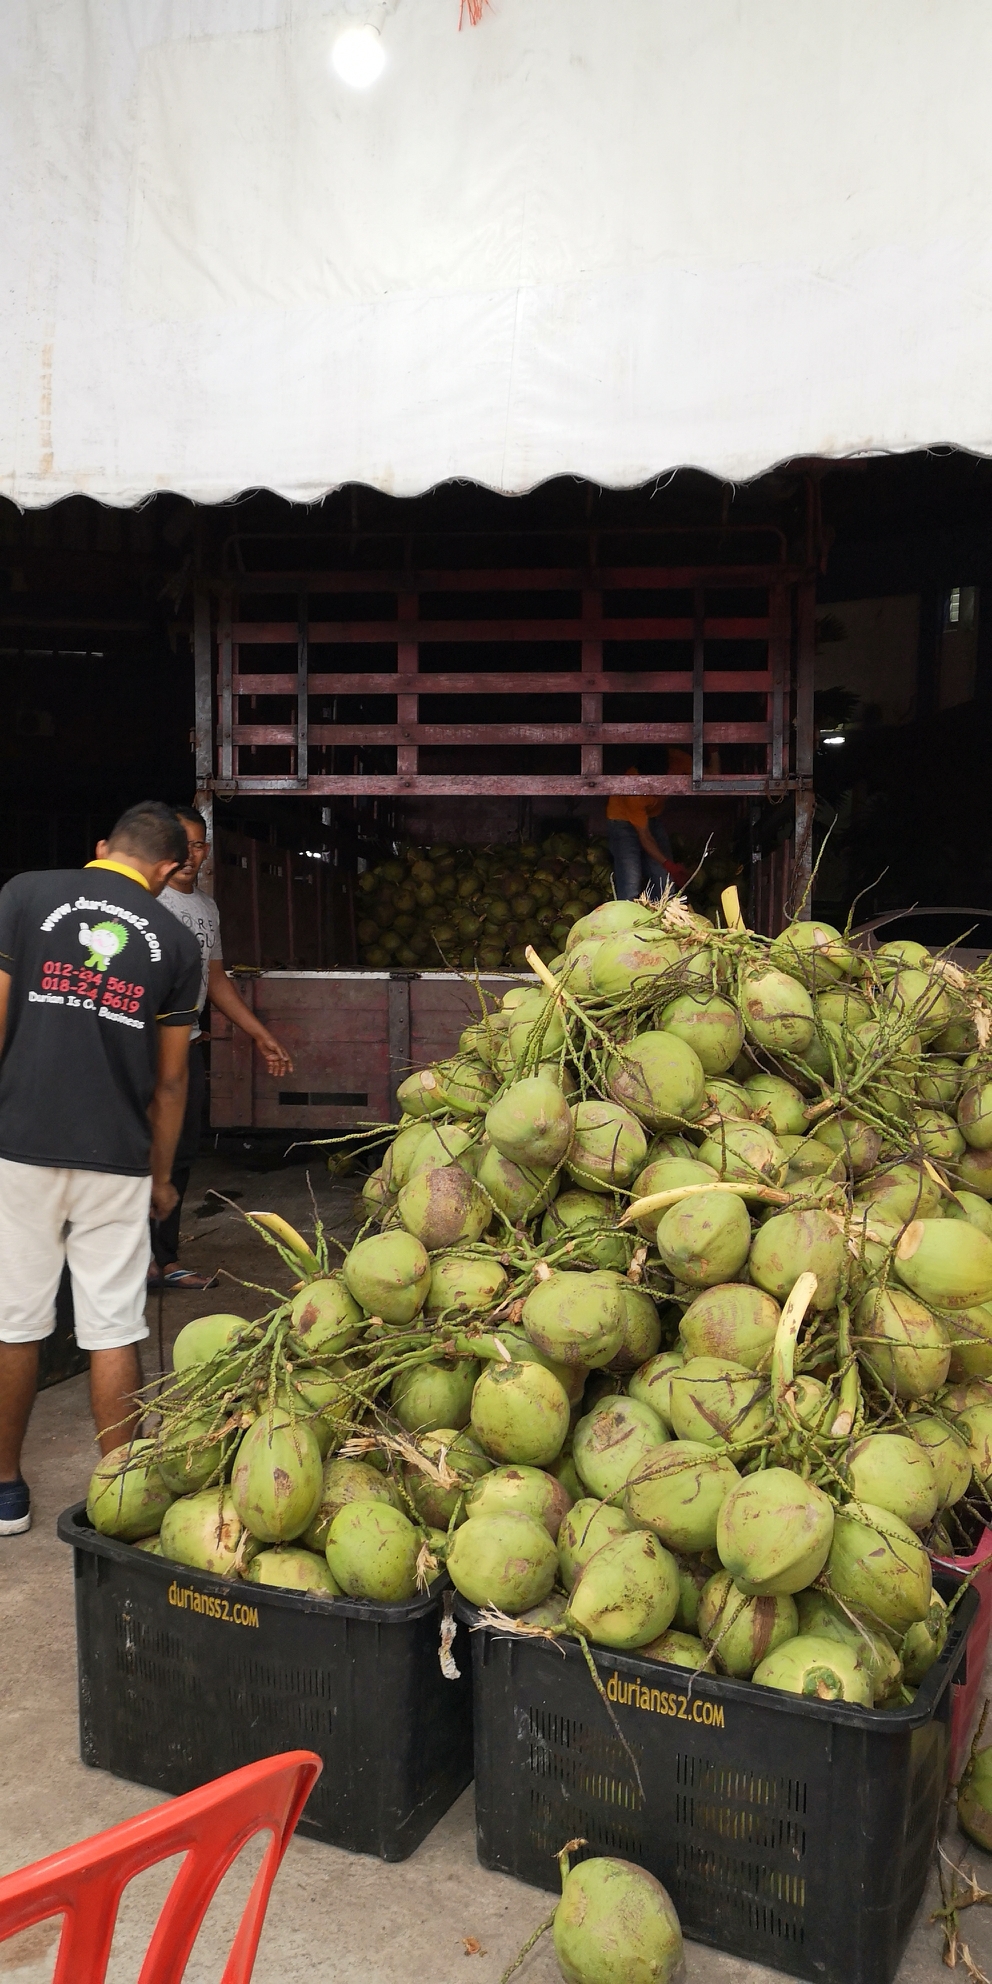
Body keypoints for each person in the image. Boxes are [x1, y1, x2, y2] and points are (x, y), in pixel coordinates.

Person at [0, 802, 202, 1535]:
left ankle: (4, 1494)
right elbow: (172, 1082)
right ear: (169, 869)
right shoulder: (177, 944)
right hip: (116, 1154)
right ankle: (123, 1499)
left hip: (19, 1143)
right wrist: (161, 1174)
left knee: (15, 1321)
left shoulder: (24, 895)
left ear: (101, 850)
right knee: (113, 1326)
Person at [149, 804, 294, 1290]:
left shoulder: (205, 908)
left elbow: (215, 980)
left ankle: (164, 1261)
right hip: (140, 1046)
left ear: (207, 849)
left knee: (181, 1151)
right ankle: (129, 1262)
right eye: (180, 843)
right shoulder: (147, 901)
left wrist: (259, 1032)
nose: (189, 854)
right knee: (136, 1151)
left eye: (197, 843)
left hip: (185, 1042)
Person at [606, 762, 691, 899]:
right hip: (622, 821)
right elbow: (645, 836)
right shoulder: (634, 789)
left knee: (665, 882)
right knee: (631, 881)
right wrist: (670, 865)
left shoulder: (679, 762)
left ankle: (662, 915)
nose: (653, 789)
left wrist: (714, 751)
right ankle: (627, 916)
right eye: (648, 785)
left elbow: (712, 775)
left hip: (651, 818)